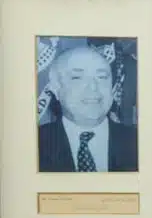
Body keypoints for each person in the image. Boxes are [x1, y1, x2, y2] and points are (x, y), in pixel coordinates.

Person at [38, 43, 138, 172]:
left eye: (102, 77)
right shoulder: (33, 144)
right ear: (55, 88)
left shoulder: (139, 142)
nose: (93, 87)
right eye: (77, 77)